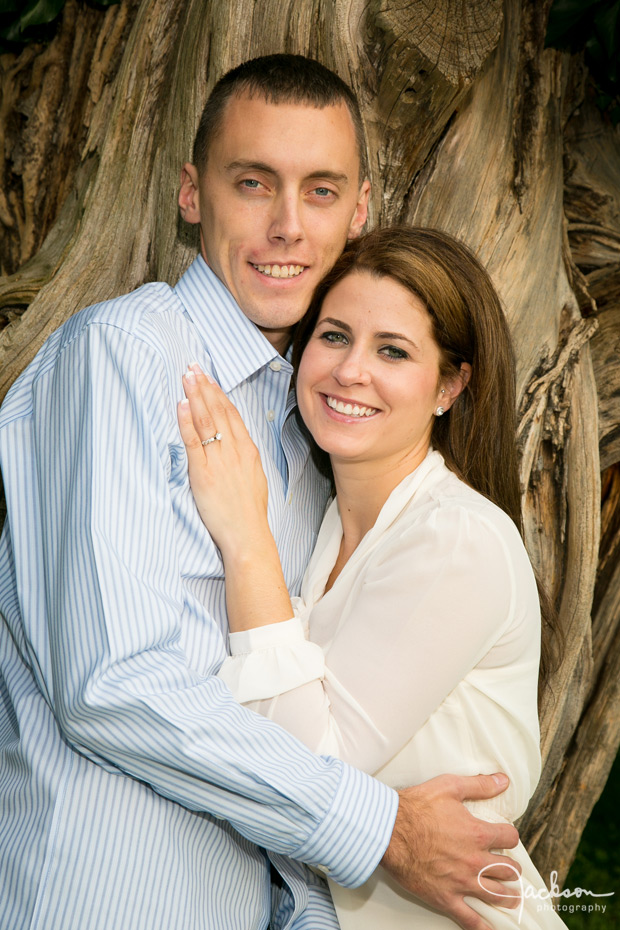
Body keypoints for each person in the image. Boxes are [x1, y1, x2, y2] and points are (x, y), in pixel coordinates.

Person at [0, 56, 518, 930]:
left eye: (320, 192)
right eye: (253, 183)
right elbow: (111, 683)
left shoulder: (315, 427)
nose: (287, 226)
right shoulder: (126, 357)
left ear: (357, 213)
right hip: (104, 899)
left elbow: (293, 722)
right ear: (192, 194)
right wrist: (382, 830)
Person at [177, 225, 566, 929]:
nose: (351, 371)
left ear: (450, 385)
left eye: (393, 351)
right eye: (333, 336)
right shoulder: (326, 530)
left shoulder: (456, 538)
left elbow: (309, 769)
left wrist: (244, 536)